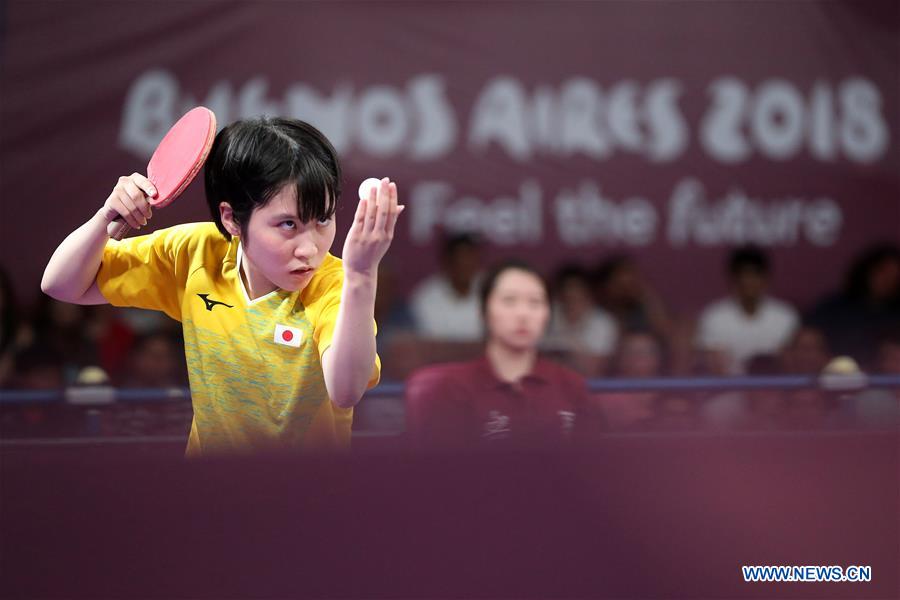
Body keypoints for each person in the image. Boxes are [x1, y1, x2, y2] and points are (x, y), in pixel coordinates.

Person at [41, 117, 401, 455]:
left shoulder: (334, 285)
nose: (310, 249)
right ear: (231, 218)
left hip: (308, 502)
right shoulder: (194, 254)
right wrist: (106, 218)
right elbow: (61, 285)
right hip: (209, 496)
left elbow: (346, 390)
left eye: (323, 219)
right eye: (288, 224)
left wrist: (362, 275)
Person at [405, 260, 591, 450]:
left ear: (548, 313)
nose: (523, 314)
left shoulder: (572, 387)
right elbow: (441, 469)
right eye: (509, 301)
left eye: (535, 302)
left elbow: (593, 465)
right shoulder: (452, 388)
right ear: (483, 311)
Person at [695, 245, 798, 374]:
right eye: (743, 275)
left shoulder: (785, 316)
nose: (748, 281)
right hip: (728, 392)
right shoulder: (714, 317)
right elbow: (714, 368)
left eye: (755, 275)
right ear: (733, 279)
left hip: (774, 392)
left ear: (765, 278)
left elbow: (790, 366)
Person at [408, 233, 484, 341]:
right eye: (460, 259)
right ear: (447, 262)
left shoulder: (490, 290)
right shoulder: (426, 297)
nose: (465, 265)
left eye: (470, 258)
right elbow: (428, 343)